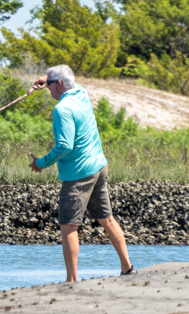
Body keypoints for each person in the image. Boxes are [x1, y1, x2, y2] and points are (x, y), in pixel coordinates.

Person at [28, 65, 136, 282]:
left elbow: (64, 146)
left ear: (58, 84)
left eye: (50, 84)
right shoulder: (81, 92)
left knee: (68, 225)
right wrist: (43, 79)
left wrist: (41, 163)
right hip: (98, 166)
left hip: (78, 174)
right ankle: (127, 268)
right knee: (107, 218)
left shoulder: (62, 109)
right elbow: (68, 81)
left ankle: (72, 279)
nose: (48, 89)